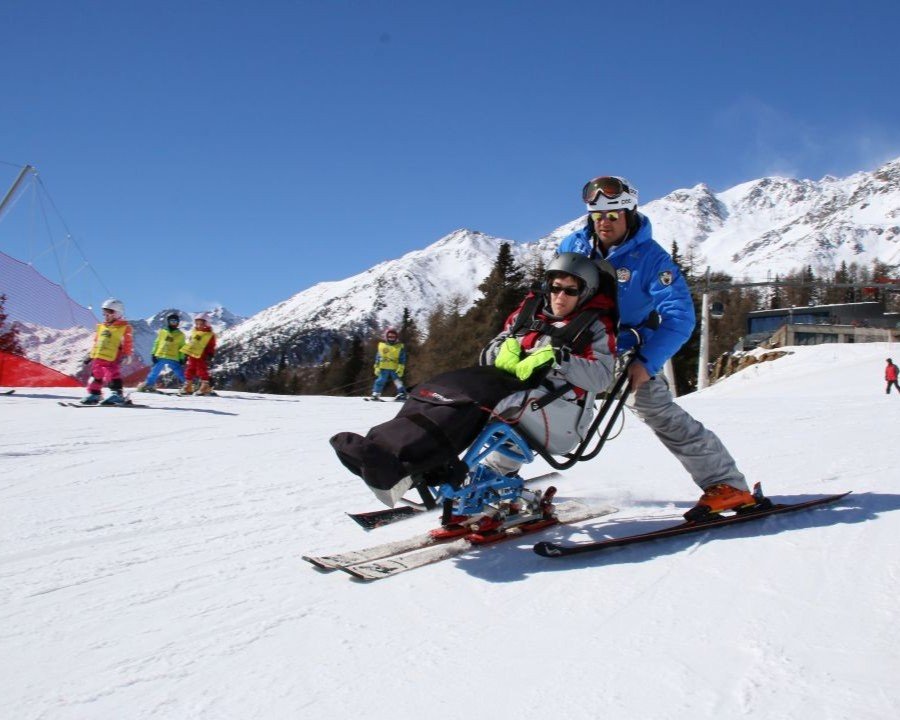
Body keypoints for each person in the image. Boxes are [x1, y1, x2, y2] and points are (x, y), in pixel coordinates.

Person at [331, 253, 617, 507]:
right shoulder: (528, 313)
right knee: (440, 390)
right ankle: (383, 448)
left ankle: (411, 463)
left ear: (586, 292)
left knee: (472, 403)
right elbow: (492, 348)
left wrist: (557, 356)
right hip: (509, 383)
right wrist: (506, 351)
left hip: (557, 408)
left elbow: (602, 377)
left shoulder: (594, 327)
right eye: (555, 287)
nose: (560, 296)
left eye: (571, 290)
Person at [558, 175, 752, 521]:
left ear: (629, 214)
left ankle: (727, 485)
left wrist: (646, 362)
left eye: (614, 215)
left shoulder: (651, 259)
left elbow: (680, 318)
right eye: (598, 215)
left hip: (626, 352)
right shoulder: (573, 245)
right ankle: (499, 480)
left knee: (656, 410)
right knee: (534, 400)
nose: (605, 222)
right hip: (577, 345)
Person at [81, 298, 134, 405]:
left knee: (112, 375)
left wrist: (127, 354)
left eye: (109, 312)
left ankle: (117, 395)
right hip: (98, 357)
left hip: (112, 358)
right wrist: (90, 355)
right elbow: (97, 342)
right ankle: (95, 394)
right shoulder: (101, 327)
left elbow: (128, 342)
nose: (106, 315)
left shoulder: (124, 327)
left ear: (117, 313)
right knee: (96, 375)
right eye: (104, 313)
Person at [136, 313, 186, 391]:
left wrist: (182, 358)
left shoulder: (180, 335)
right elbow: (157, 343)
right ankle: (149, 384)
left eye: (175, 322)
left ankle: (188, 384)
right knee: (155, 371)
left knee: (179, 371)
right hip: (161, 355)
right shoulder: (163, 332)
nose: (173, 324)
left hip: (173, 357)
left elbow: (182, 347)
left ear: (178, 323)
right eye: (171, 321)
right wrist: (153, 353)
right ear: (168, 322)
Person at [180, 312, 217, 395]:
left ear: (207, 323)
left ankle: (205, 386)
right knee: (189, 370)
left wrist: (210, 354)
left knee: (201, 370)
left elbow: (211, 346)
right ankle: (188, 386)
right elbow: (191, 343)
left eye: (201, 323)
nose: (199, 325)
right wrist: (186, 354)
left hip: (202, 355)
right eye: (197, 323)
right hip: (192, 355)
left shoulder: (210, 334)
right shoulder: (194, 332)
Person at [371, 327, 407, 400]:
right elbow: (378, 357)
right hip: (383, 367)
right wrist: (377, 367)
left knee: (397, 381)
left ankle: (402, 394)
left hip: (395, 367)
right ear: (386, 337)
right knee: (380, 380)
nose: (391, 338)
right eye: (389, 337)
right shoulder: (382, 346)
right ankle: (376, 393)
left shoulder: (399, 347)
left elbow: (402, 358)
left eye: (393, 337)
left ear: (396, 337)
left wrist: (401, 367)